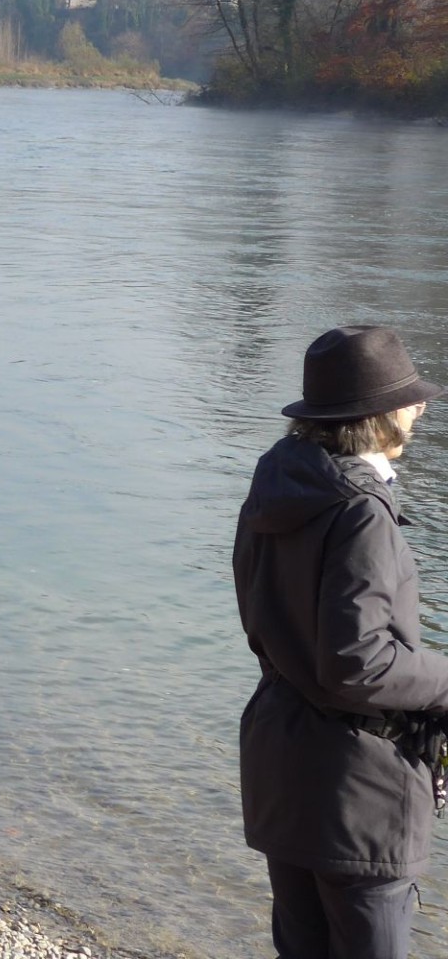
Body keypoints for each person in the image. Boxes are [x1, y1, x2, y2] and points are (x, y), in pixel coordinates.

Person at [235, 325, 448, 959]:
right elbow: (358, 664)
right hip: (357, 790)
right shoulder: (361, 511)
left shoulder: (277, 484)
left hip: (281, 760)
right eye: (411, 398)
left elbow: (264, 617)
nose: (423, 407)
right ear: (377, 418)